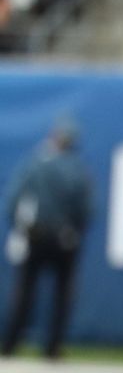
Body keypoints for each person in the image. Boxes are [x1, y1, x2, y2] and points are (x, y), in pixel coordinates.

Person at [2, 117, 93, 359]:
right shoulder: (76, 168)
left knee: (25, 292)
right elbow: (86, 209)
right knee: (61, 296)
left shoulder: (36, 163)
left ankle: (10, 344)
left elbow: (14, 199)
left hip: (36, 234)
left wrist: (19, 227)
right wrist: (75, 231)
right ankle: (52, 348)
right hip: (64, 240)